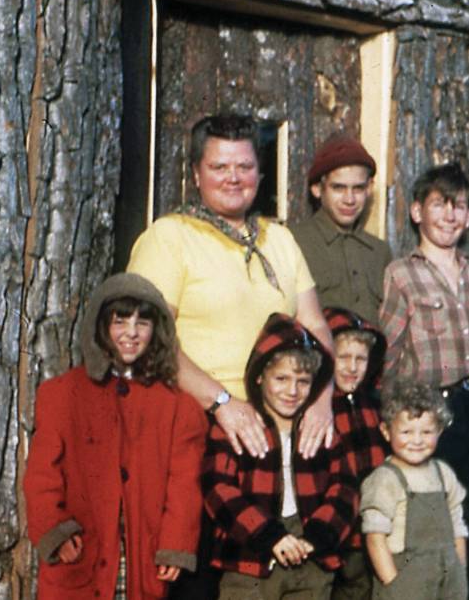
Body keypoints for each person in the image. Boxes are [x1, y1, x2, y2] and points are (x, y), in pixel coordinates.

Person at [127, 115, 334, 461]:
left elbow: (315, 324)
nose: (233, 178)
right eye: (219, 166)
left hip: (280, 420)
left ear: (259, 173)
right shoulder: (169, 237)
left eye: (244, 166)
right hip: (200, 420)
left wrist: (322, 398)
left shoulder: (280, 239)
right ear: (196, 174)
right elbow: (151, 341)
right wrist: (221, 402)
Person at [24, 273, 208, 600]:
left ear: (158, 331)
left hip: (141, 553)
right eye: (120, 321)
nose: (132, 333)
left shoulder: (179, 407)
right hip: (82, 553)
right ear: (100, 326)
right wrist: (55, 531)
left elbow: (184, 483)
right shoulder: (62, 395)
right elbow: (42, 474)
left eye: (143, 323)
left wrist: (175, 544)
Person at [377, 162, 469, 600]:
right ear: (417, 211)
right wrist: (398, 425)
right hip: (430, 414)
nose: (450, 216)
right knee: (436, 533)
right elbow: (389, 357)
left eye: (460, 207)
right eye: (440, 205)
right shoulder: (402, 274)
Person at [204, 313, 358, 600]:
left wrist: (320, 535)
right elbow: (218, 489)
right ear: (260, 376)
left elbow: (346, 487)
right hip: (249, 552)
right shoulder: (237, 425)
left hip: (310, 545)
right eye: (282, 378)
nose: (292, 390)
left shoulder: (318, 426)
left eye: (302, 381)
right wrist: (267, 535)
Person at [360, 377, 469, 600]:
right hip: (406, 582)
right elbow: (375, 537)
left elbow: (457, 527)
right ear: (386, 431)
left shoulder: (442, 473)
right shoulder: (385, 478)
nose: (417, 441)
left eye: (427, 432)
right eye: (407, 432)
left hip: (447, 579)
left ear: (439, 430)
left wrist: (460, 573)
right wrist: (394, 585)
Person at [291, 133, 393, 326]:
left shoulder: (379, 252)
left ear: (369, 189)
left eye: (358, 188)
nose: (349, 199)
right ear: (317, 189)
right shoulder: (294, 242)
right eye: (338, 188)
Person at [323, 307, 390, 600]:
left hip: (373, 528)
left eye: (360, 359)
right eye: (344, 358)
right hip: (339, 529)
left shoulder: (373, 404)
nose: (352, 367)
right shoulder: (321, 407)